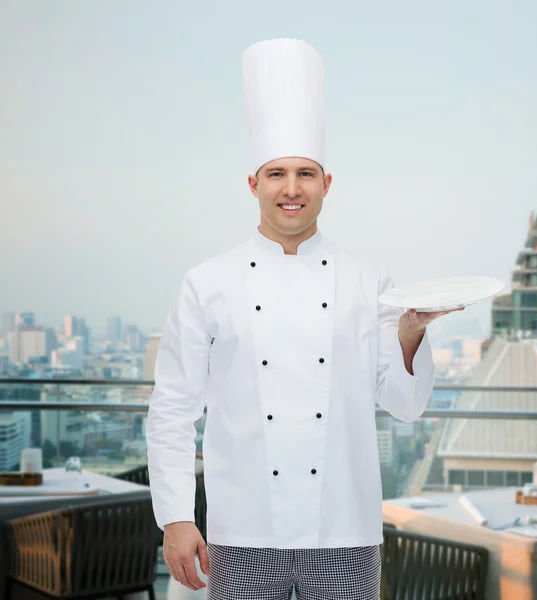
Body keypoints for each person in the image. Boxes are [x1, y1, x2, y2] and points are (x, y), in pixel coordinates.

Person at [146, 38, 463, 600]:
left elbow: (406, 406)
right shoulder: (207, 282)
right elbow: (172, 409)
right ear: (253, 184)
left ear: (327, 185)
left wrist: (411, 337)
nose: (291, 189)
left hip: (346, 529)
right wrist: (175, 517)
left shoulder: (372, 283)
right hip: (241, 530)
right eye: (275, 174)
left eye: (305, 174)